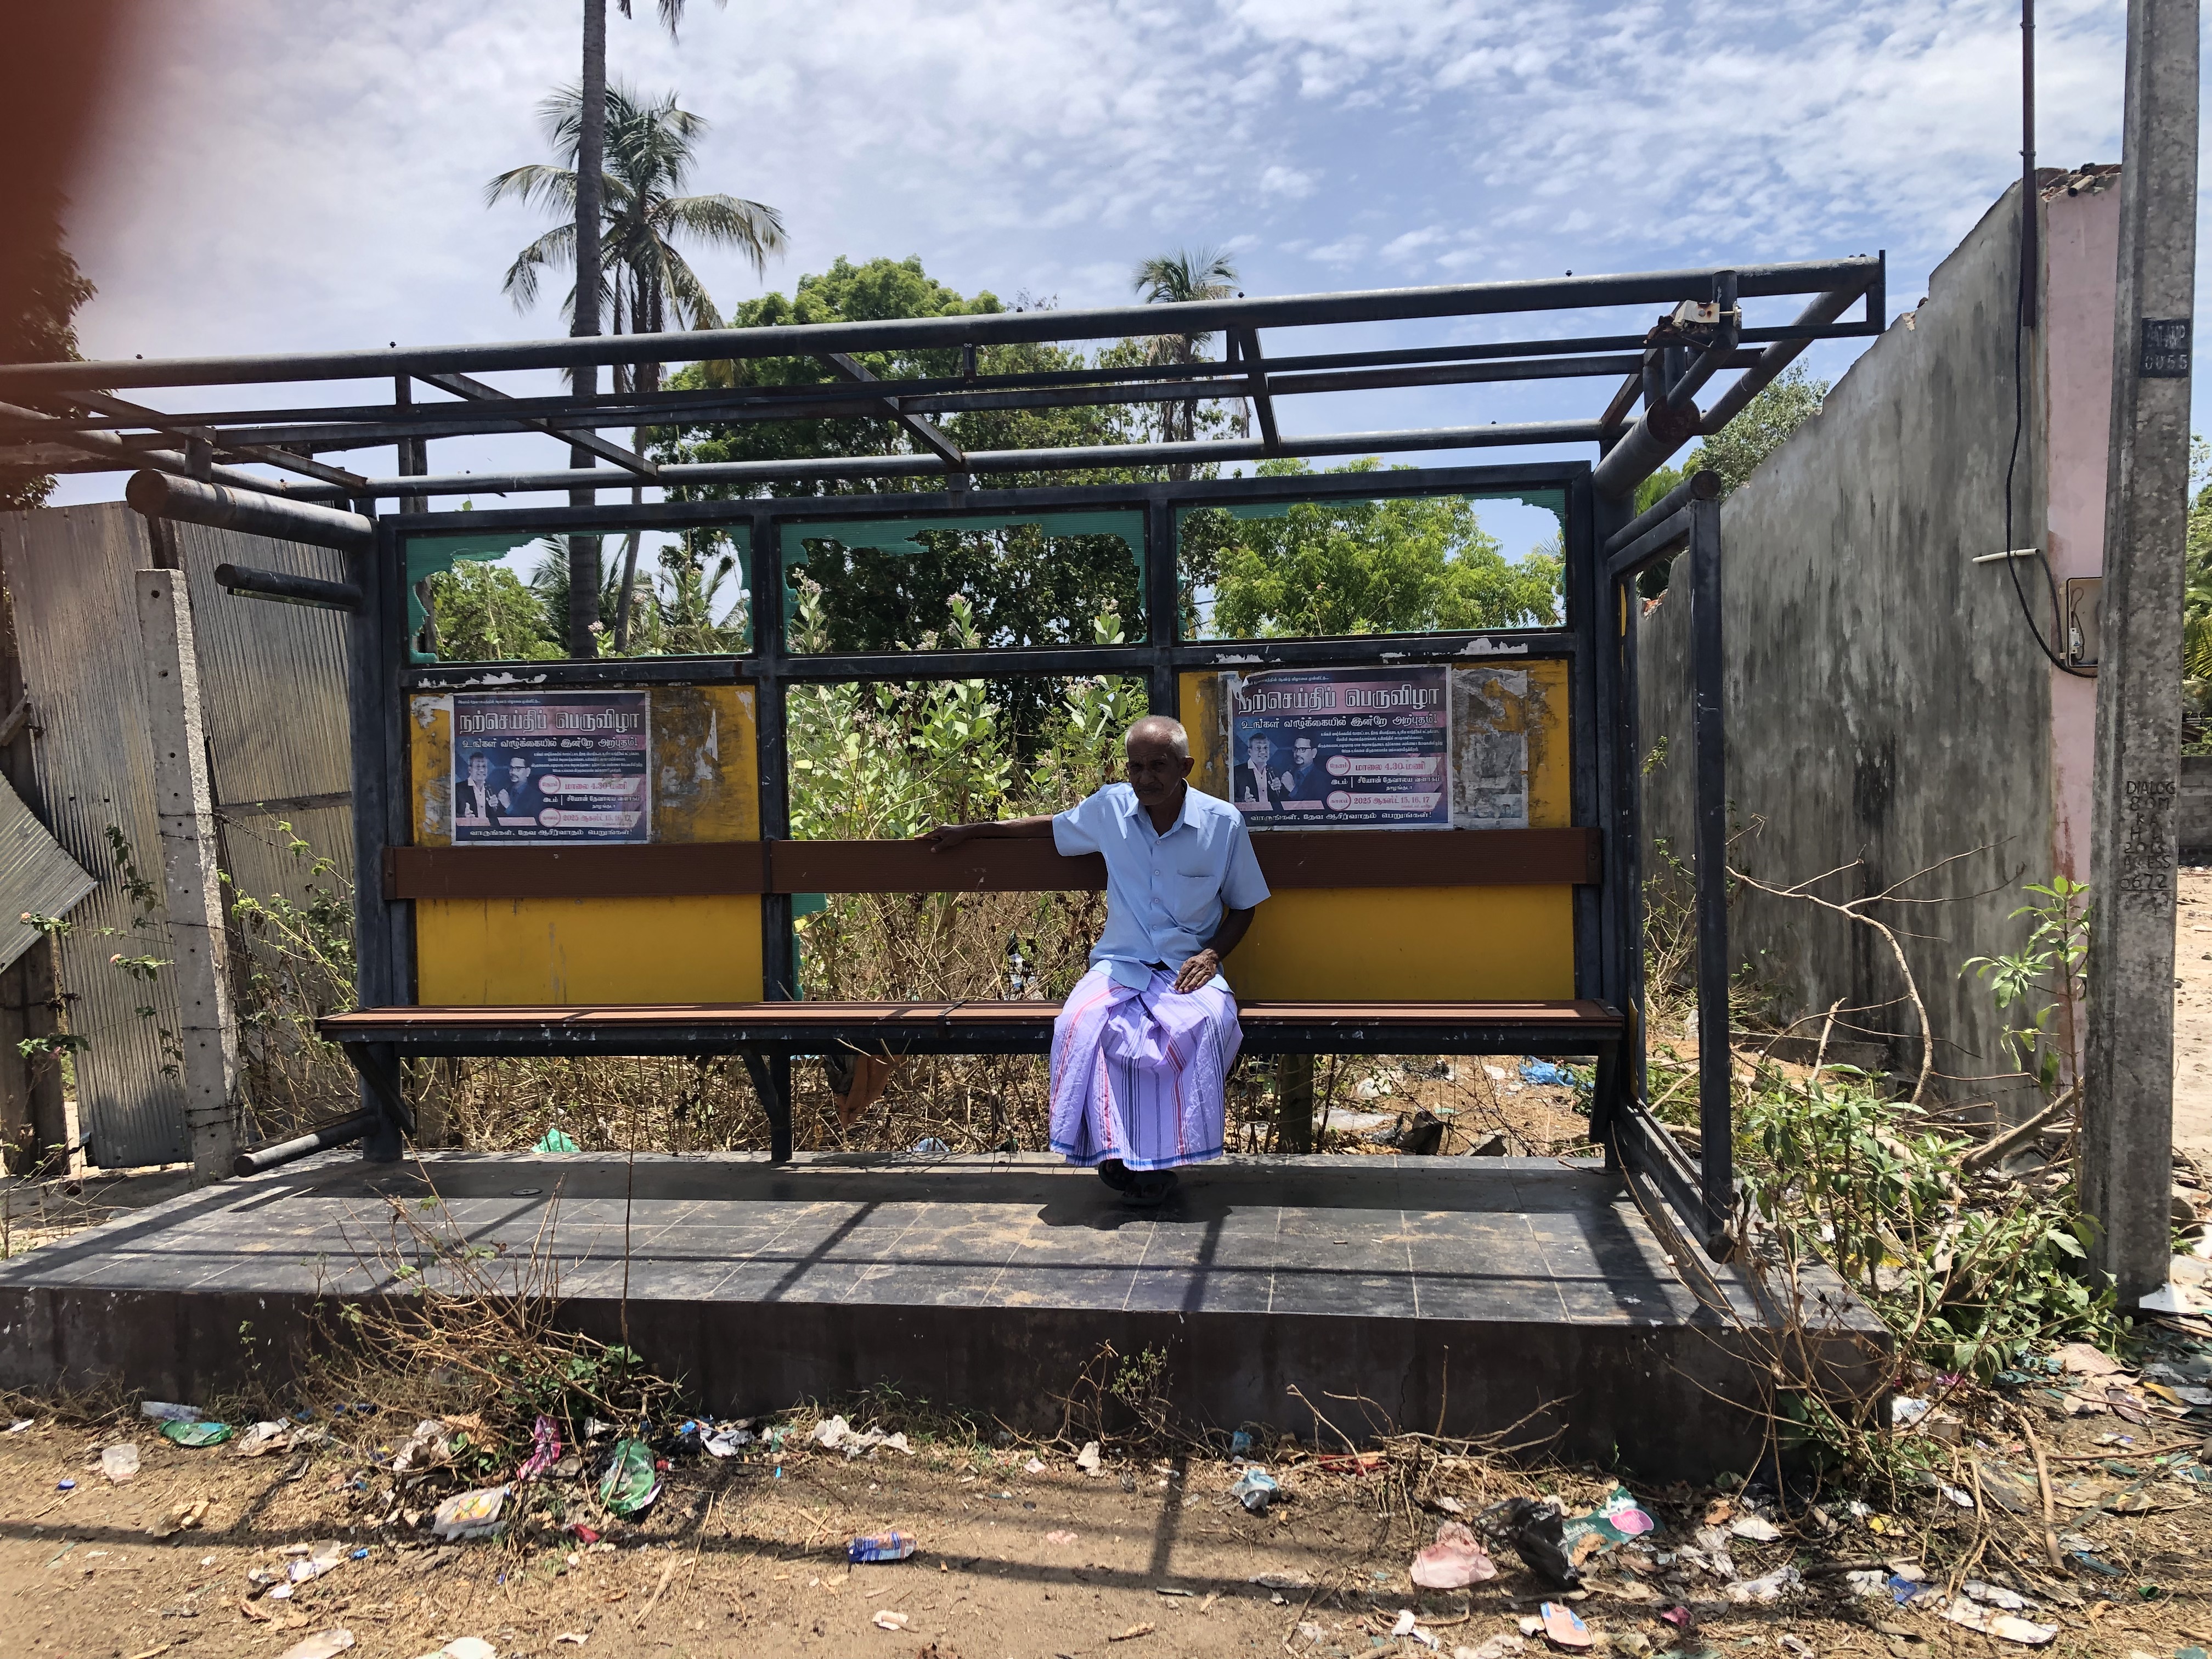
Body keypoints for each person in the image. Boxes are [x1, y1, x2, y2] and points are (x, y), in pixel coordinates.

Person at [924, 715, 1270, 1204]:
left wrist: (1212, 955)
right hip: (1119, 964)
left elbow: (1245, 905)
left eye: (1158, 766)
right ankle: (1113, 1151)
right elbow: (1052, 826)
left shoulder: (1222, 823)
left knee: (1209, 1023)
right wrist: (976, 830)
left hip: (1186, 967)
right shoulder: (1111, 808)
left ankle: (1163, 1160)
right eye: (1136, 767)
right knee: (1081, 1023)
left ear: (1185, 767)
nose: (1145, 778)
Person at [1235, 732, 1281, 812]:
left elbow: (1284, 801)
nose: (1263, 752)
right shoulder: (1237, 772)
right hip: (1249, 818)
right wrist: (1244, 802)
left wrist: (1280, 790)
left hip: (1273, 818)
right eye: (1258, 748)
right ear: (1250, 752)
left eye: (1266, 748)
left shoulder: (1276, 771)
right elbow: (1229, 799)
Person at [1283, 733, 1332, 802]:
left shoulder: (1323, 779)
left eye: (1303, 749)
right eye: (1295, 749)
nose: (1297, 754)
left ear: (1314, 753)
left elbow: (1318, 805)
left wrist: (1293, 789)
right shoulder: (1288, 774)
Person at [455, 752, 493, 824]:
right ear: (470, 770)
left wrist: (496, 807)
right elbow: (449, 815)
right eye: (478, 767)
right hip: (468, 830)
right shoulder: (458, 789)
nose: (482, 770)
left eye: (484, 767)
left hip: (490, 830)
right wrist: (464, 817)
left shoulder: (491, 789)